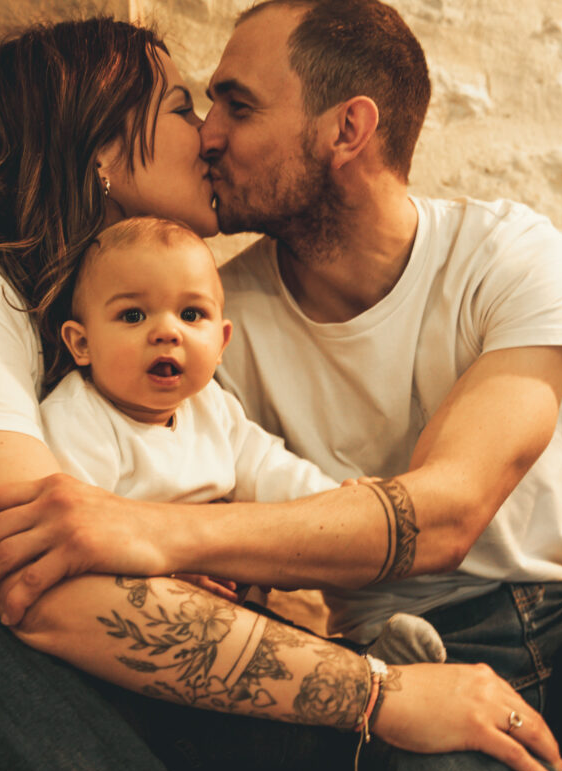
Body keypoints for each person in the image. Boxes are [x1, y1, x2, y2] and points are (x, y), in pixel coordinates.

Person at [0, 16, 562, 771]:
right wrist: (379, 692)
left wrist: (335, 660)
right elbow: (39, 579)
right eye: (183, 106)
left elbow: (186, 551)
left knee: (391, 754)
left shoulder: (155, 344)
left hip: (50, 702)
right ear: (104, 152)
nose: (209, 134)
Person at [0, 1, 562, 771]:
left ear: (347, 129)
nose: (209, 134)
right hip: (388, 658)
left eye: (237, 106)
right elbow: (204, 521)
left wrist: (145, 528)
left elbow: (450, 513)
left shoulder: (512, 257)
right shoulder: (207, 325)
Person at [40, 214, 445, 660]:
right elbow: (76, 535)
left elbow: (271, 471)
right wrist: (160, 579)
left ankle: (369, 663)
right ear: (81, 343)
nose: (166, 332)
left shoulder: (211, 407)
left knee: (288, 648)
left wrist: (341, 503)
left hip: (236, 619)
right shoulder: (80, 418)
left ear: (220, 343)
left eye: (191, 314)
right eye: (132, 315)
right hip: (139, 626)